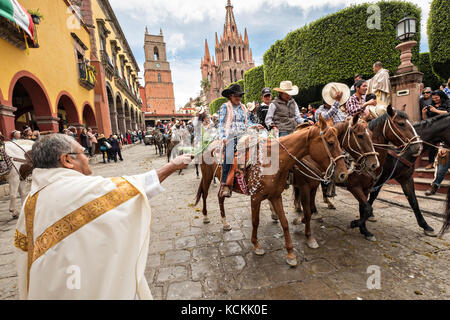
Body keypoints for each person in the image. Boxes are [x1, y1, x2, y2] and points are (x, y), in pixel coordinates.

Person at [14, 134, 192, 299]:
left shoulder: (30, 200)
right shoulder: (75, 190)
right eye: (83, 153)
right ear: (67, 160)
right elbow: (133, 189)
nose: (87, 157)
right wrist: (173, 165)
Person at [219, 84, 262, 197]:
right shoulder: (225, 107)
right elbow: (222, 124)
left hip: (244, 134)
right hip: (231, 135)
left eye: (240, 96)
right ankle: (225, 184)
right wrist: (223, 137)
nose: (238, 98)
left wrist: (256, 125)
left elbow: (248, 123)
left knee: (261, 146)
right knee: (228, 156)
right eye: (236, 96)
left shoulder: (243, 107)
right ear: (230, 96)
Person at [422, 90, 450, 169]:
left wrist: (436, 111)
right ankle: (431, 162)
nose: (435, 99)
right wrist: (423, 113)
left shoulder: (447, 102)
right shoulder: (431, 105)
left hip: (446, 128)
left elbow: (448, 113)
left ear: (441, 96)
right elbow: (426, 120)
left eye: (437, 98)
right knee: (431, 144)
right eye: (433, 98)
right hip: (435, 129)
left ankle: (447, 165)